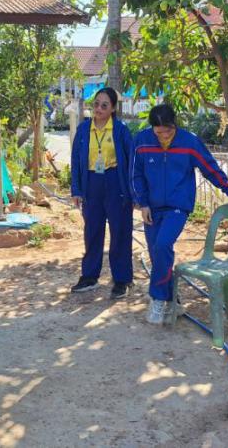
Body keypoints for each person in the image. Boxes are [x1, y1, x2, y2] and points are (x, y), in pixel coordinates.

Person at [131, 103, 228, 325]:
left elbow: (209, 167)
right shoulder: (142, 141)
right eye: (158, 132)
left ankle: (158, 299)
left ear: (175, 124)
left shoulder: (189, 142)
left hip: (178, 207)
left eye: (168, 131)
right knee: (156, 253)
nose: (164, 136)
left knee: (162, 245)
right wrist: (143, 204)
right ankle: (173, 300)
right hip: (151, 207)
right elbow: (135, 174)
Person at [69, 87, 135, 298]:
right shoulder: (83, 129)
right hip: (92, 184)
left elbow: (132, 162)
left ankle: (122, 279)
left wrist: (133, 192)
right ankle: (89, 277)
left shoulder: (121, 130)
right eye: (96, 104)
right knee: (92, 231)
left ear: (113, 108)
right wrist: (76, 189)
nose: (98, 109)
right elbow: (76, 161)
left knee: (120, 231)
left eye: (104, 105)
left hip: (116, 183)